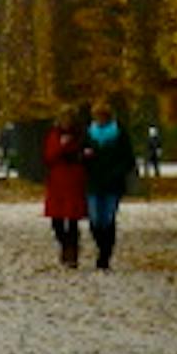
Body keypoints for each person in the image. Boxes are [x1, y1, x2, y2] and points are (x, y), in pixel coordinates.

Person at [83, 102, 138, 271]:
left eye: (102, 116)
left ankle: (105, 255)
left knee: (108, 219)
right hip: (93, 182)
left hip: (113, 183)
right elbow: (79, 154)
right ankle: (102, 247)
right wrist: (85, 156)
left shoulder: (119, 133)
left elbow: (128, 158)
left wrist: (117, 171)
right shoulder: (88, 133)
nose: (99, 119)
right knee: (94, 219)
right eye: (97, 116)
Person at [42, 108, 89, 266]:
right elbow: (49, 156)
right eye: (63, 119)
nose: (66, 122)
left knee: (73, 219)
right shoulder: (54, 135)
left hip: (74, 179)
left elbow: (86, 153)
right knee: (57, 221)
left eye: (69, 119)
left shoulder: (81, 135)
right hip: (57, 181)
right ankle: (65, 245)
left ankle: (72, 251)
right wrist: (62, 146)